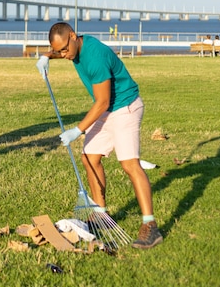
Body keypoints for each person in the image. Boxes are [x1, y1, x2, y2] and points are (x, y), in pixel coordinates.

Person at [36, 22, 163, 249]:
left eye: (65, 49)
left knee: (130, 164)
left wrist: (78, 130)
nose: (64, 55)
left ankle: (150, 225)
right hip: (107, 110)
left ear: (73, 36)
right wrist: (47, 56)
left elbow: (102, 101)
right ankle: (100, 215)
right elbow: (60, 50)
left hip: (125, 108)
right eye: (59, 51)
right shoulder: (74, 46)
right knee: (89, 156)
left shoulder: (95, 57)